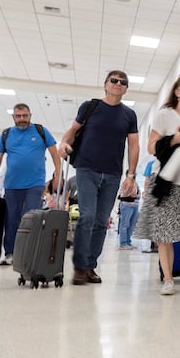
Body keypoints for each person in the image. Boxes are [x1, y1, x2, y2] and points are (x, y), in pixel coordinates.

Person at [59, 70, 139, 286]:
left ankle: (90, 267)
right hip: (87, 169)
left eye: (123, 82)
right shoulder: (90, 107)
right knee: (87, 216)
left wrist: (131, 175)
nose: (118, 84)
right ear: (105, 85)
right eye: (114, 80)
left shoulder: (129, 115)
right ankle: (80, 267)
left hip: (113, 174)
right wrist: (64, 143)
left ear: (126, 88)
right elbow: (72, 131)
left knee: (102, 221)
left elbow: (133, 145)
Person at [133, 75, 180, 295]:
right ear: (176, 91)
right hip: (168, 180)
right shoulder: (165, 115)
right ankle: (168, 279)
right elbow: (151, 147)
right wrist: (173, 139)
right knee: (164, 233)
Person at [0, 103, 61, 265]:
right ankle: (11, 253)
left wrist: (57, 174)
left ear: (30, 116)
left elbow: (55, 154)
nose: (22, 119)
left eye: (25, 116)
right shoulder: (6, 134)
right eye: (18, 116)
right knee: (11, 219)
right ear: (13, 117)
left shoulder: (41, 131)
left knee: (32, 217)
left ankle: (29, 252)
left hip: (35, 183)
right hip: (12, 185)